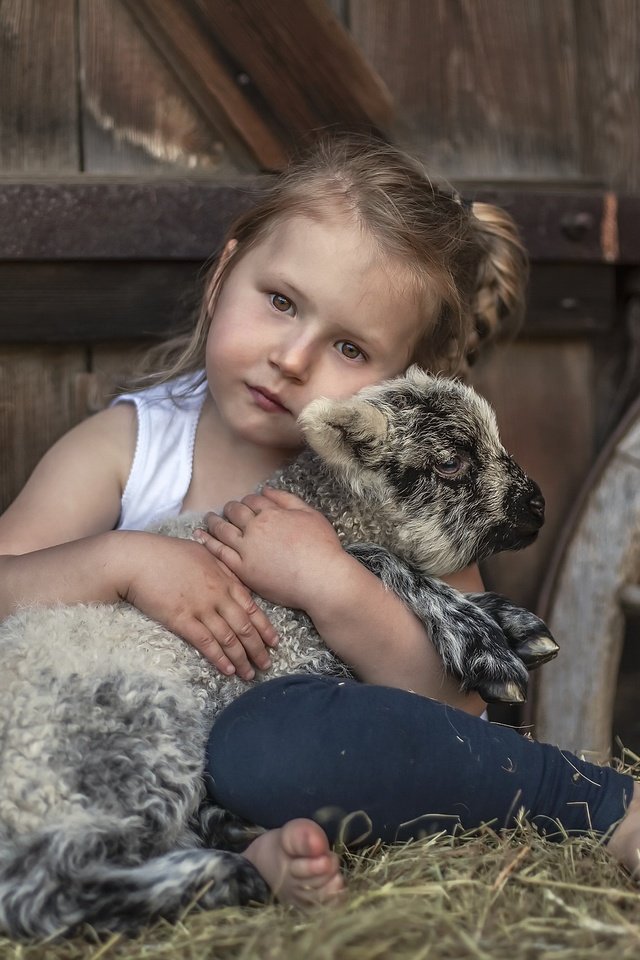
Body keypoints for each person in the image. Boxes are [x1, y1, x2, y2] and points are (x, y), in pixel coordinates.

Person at [0, 136, 637, 907]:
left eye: (348, 346)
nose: (293, 360)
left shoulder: (395, 492)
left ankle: (602, 808)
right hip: (126, 754)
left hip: (286, 763)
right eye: (280, 301)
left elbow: (463, 709)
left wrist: (330, 582)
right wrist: (121, 562)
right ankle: (232, 863)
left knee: (273, 744)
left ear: (402, 385)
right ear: (225, 273)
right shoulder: (130, 449)